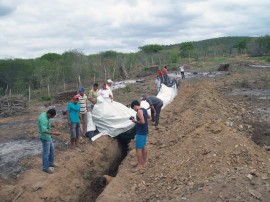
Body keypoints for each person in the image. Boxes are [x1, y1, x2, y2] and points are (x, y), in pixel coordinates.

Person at [38, 108, 61, 174]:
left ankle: (50, 163)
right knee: (46, 153)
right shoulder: (43, 120)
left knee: (52, 149)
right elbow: (44, 131)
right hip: (44, 137)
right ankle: (45, 168)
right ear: (49, 114)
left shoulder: (45, 114)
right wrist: (54, 133)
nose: (52, 118)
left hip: (48, 137)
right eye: (52, 116)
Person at [130, 100, 151, 170]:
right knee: (144, 146)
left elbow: (142, 121)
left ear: (135, 106)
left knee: (138, 149)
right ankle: (144, 161)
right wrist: (144, 122)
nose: (134, 109)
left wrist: (135, 121)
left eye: (133, 108)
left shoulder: (139, 111)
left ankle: (140, 164)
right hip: (145, 130)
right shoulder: (144, 110)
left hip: (140, 132)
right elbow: (149, 118)